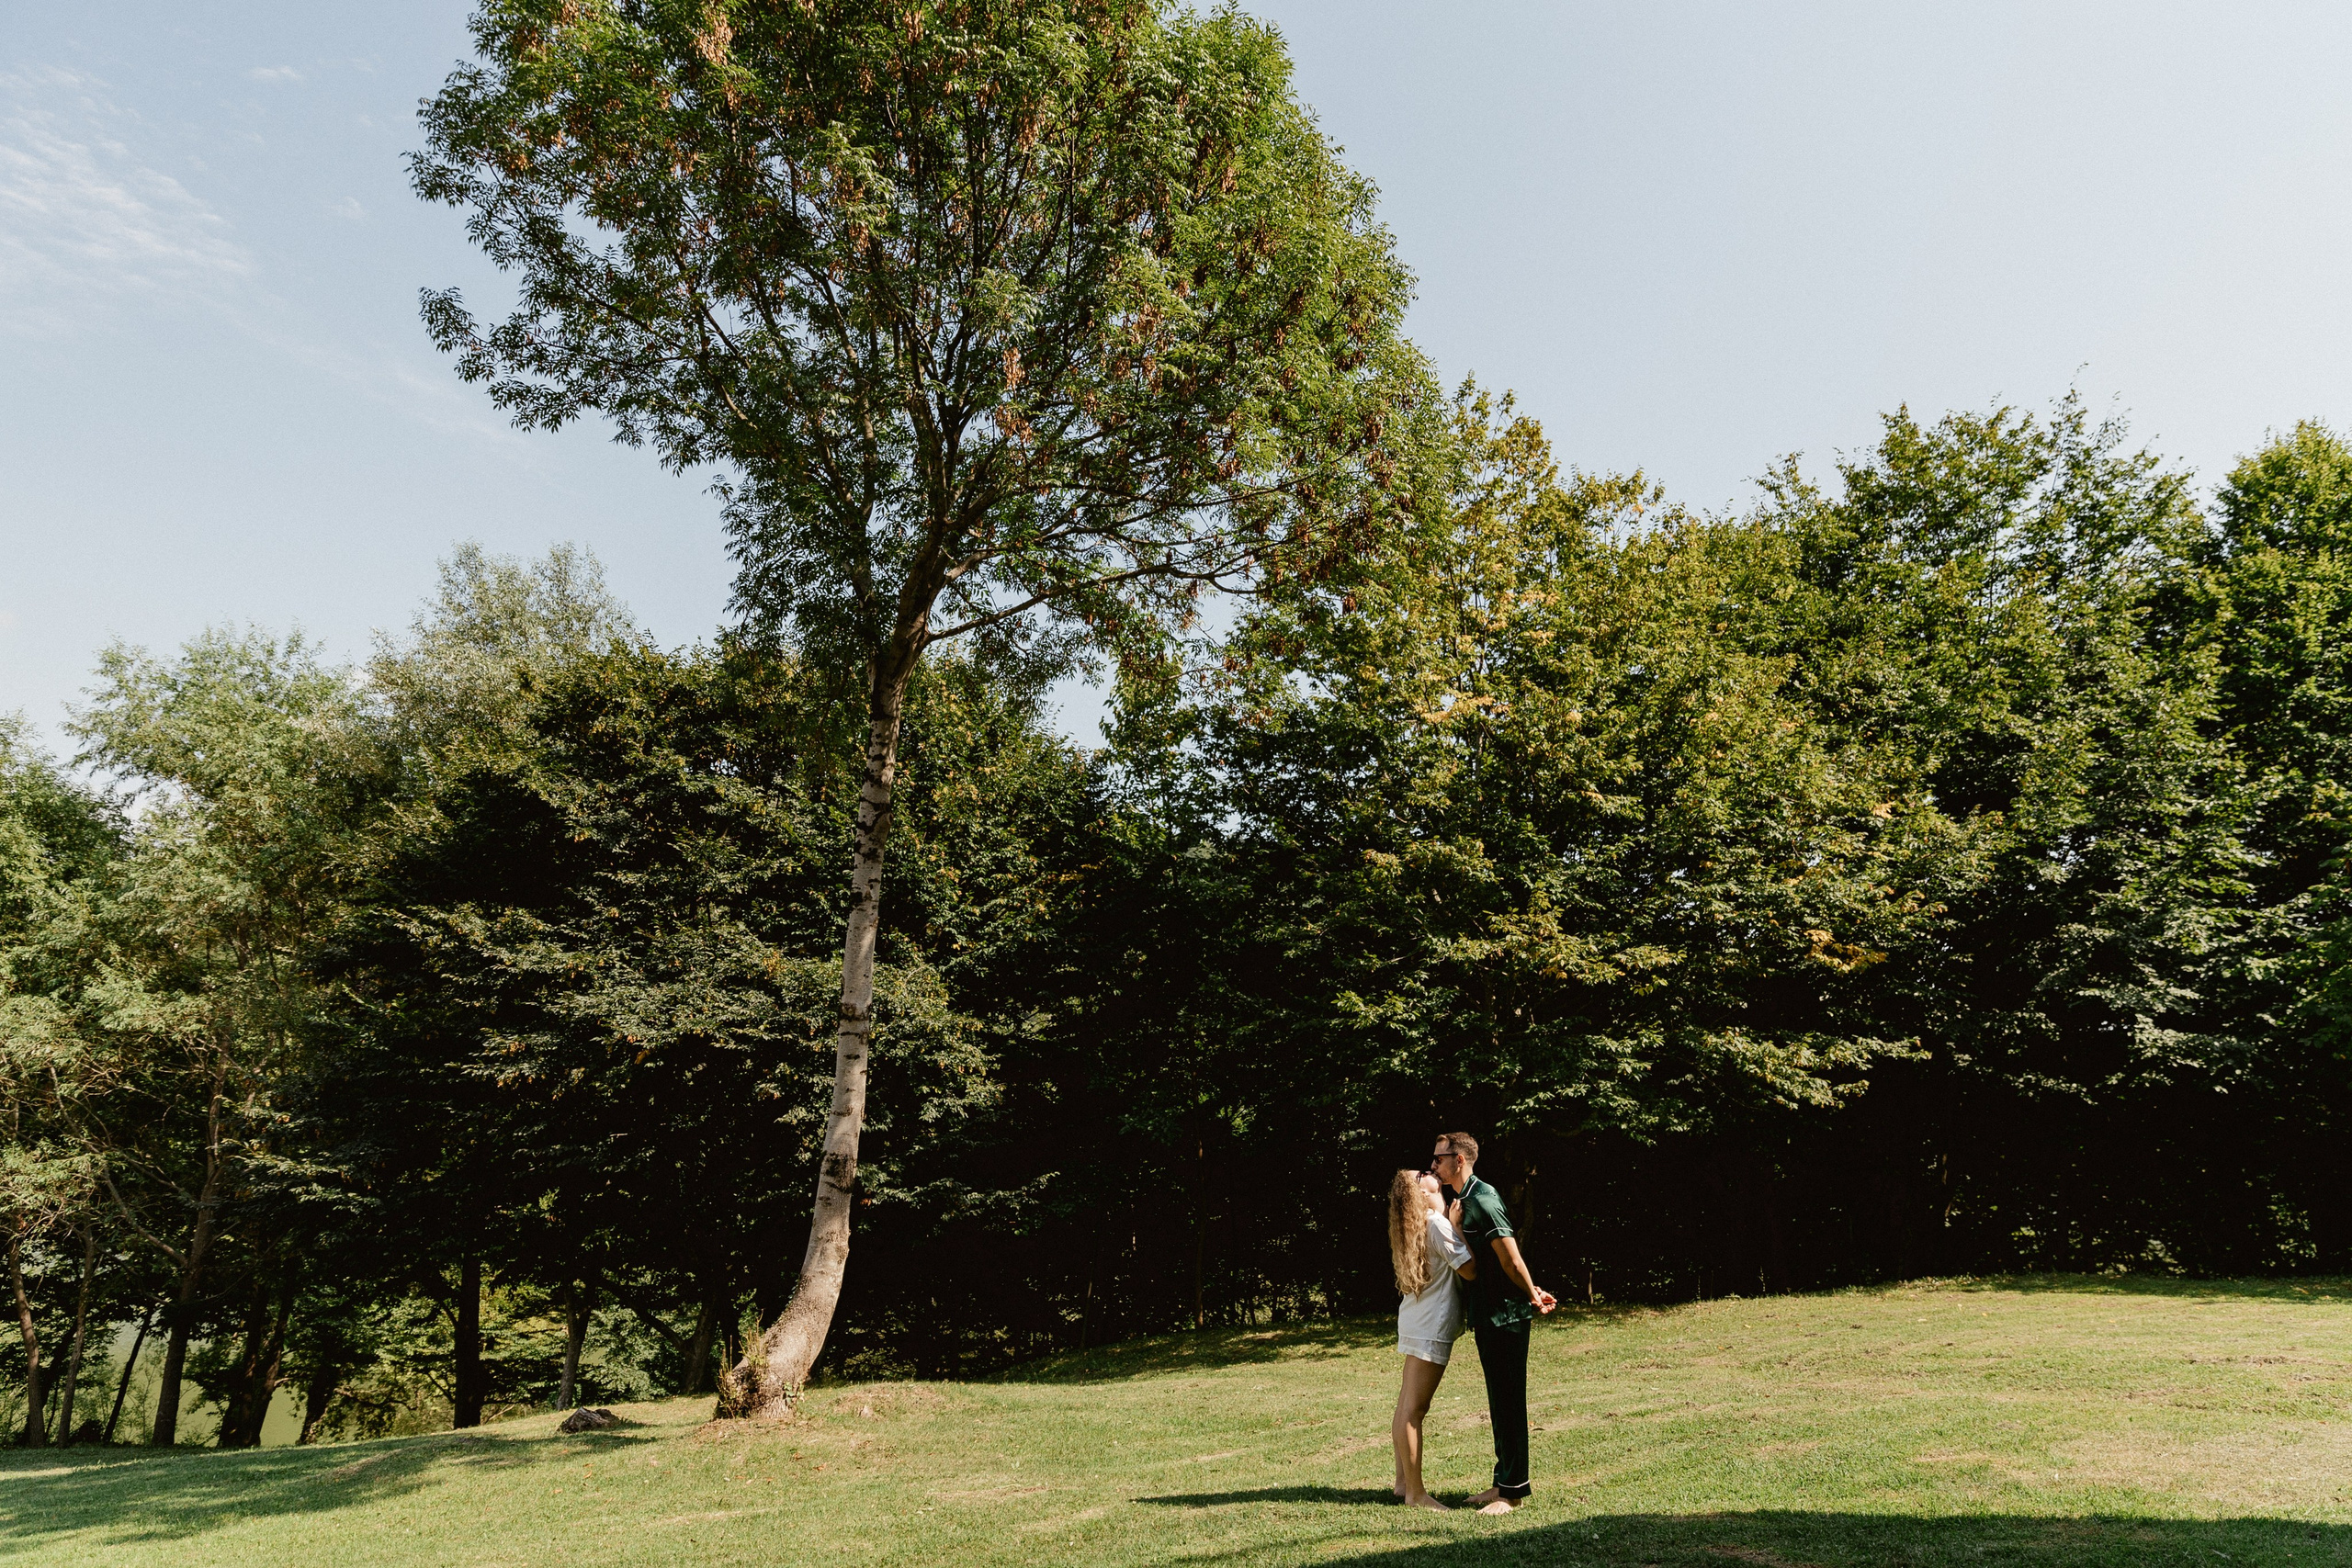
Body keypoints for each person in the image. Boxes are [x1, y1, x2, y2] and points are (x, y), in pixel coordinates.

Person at [1432, 1132, 1556, 1513]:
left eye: (1439, 1158)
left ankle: (1512, 1493)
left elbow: (1511, 1259)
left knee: (1509, 1401)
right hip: (1487, 1313)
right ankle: (1502, 1482)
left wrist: (1532, 1294)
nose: (1434, 1165)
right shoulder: (1463, 1201)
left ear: (1460, 1160)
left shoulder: (1484, 1200)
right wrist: (1454, 1227)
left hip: (1506, 1315)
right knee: (1498, 1401)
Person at [1386, 1168, 1476, 1509]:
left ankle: (1402, 1484)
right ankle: (1416, 1495)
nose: (1430, 1170)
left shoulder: (1417, 1224)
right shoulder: (1436, 1224)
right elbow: (1469, 1269)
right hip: (1431, 1326)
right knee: (1414, 1410)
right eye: (1421, 1174)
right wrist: (1456, 1228)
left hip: (1415, 1320)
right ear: (1420, 1193)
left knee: (1405, 1406)